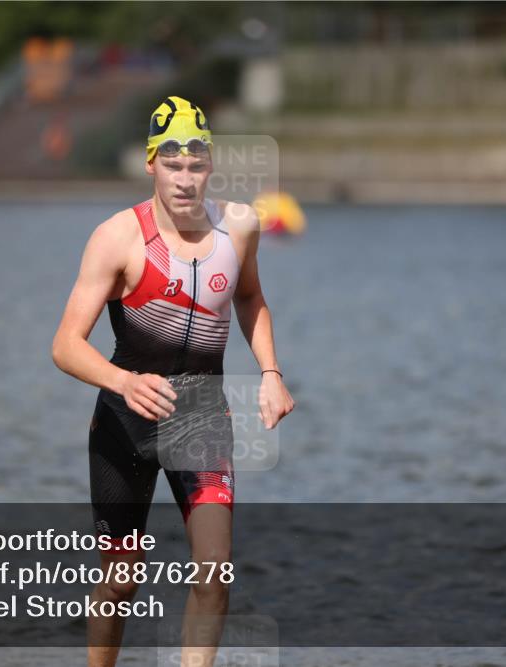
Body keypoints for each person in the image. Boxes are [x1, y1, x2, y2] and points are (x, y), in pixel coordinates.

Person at [52, 96, 294, 667]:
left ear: (210, 166)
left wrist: (271, 372)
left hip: (203, 414)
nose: (184, 180)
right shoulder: (117, 238)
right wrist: (123, 381)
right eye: (172, 165)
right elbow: (64, 344)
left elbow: (252, 297)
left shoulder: (239, 227)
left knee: (214, 569)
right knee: (121, 582)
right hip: (125, 419)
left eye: (196, 166)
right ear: (151, 164)